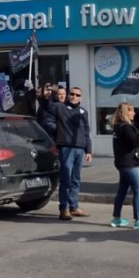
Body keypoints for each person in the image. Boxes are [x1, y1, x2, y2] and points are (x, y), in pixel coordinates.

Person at [46, 86, 93, 220]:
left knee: (76, 179)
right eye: (72, 94)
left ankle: (74, 206)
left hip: (79, 148)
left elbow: (86, 131)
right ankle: (64, 209)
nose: (74, 97)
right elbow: (48, 107)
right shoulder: (60, 108)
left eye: (77, 95)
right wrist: (49, 94)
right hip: (66, 148)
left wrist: (88, 150)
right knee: (66, 178)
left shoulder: (83, 112)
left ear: (81, 97)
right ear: (68, 95)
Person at [110, 102, 139, 229]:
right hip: (129, 163)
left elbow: (134, 137)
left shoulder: (120, 126)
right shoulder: (125, 127)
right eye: (132, 111)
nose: (134, 113)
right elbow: (136, 141)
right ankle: (138, 219)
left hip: (122, 162)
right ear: (126, 112)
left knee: (123, 190)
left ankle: (116, 218)